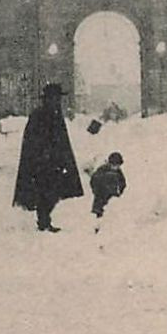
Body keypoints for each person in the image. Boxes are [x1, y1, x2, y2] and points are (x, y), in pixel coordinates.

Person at [13, 82, 83, 232]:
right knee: (44, 192)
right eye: (55, 98)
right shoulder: (38, 114)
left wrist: (63, 158)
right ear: (48, 99)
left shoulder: (57, 114)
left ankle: (45, 220)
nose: (58, 101)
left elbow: (61, 139)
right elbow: (32, 139)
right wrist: (41, 155)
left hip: (55, 162)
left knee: (53, 192)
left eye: (58, 99)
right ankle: (44, 221)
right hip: (41, 163)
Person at [89, 152, 127, 218]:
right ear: (110, 163)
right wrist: (96, 191)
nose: (116, 167)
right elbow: (93, 181)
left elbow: (123, 183)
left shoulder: (118, 172)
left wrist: (120, 192)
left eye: (118, 165)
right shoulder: (102, 170)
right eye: (115, 165)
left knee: (111, 216)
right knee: (98, 215)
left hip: (113, 197)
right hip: (101, 196)